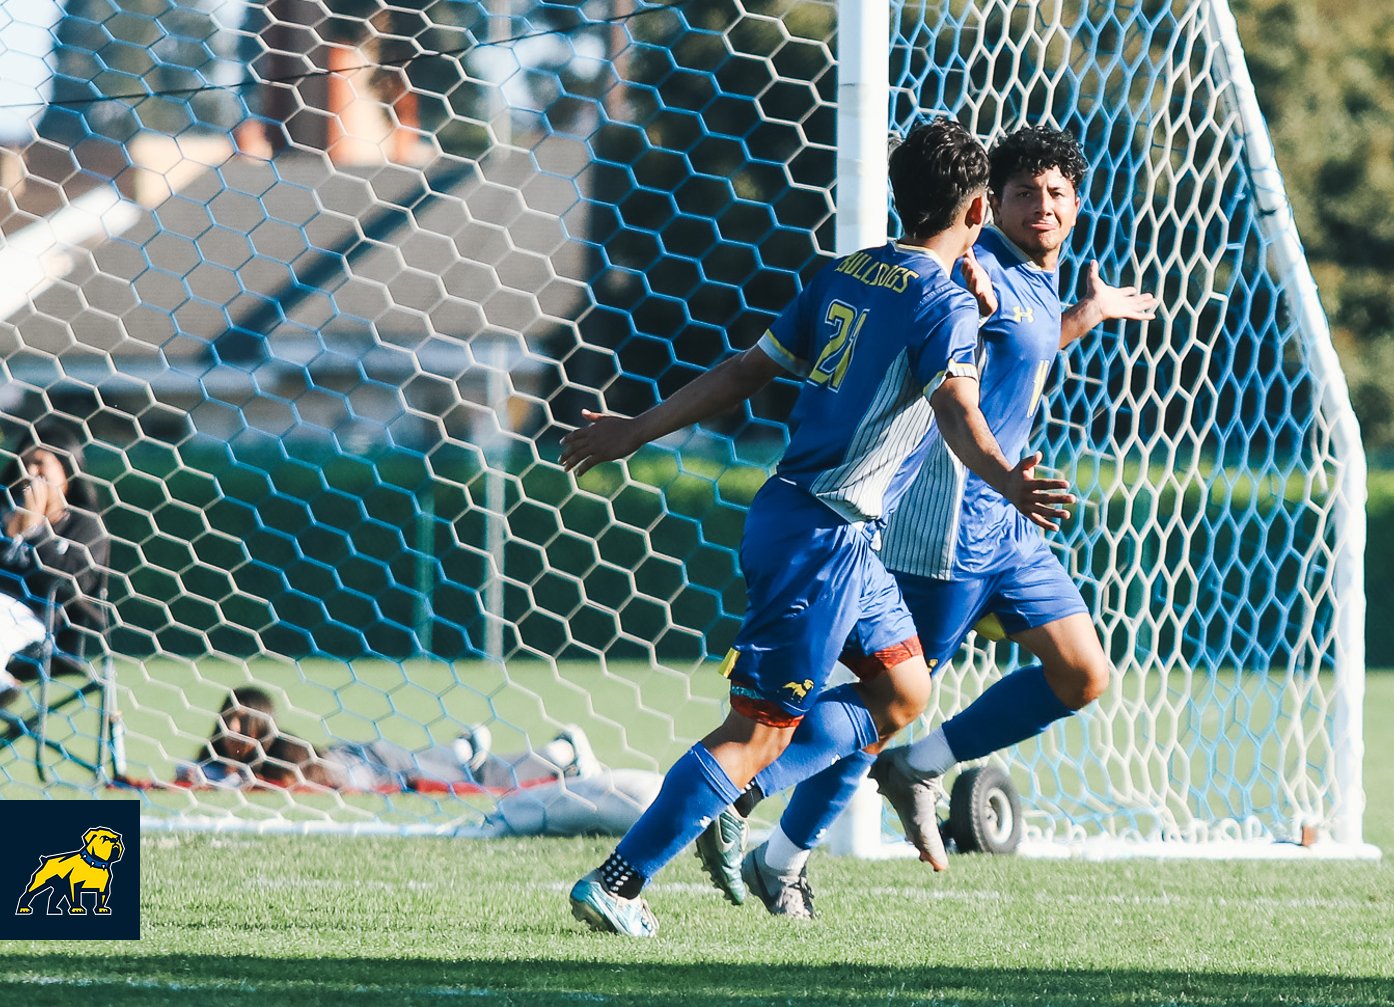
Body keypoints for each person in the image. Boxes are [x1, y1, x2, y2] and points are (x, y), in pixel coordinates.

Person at [557, 118, 1073, 939]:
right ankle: (619, 879)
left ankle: (746, 796)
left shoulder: (846, 272)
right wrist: (1009, 478)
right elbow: (961, 413)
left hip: (825, 528)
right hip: (823, 537)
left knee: (905, 690)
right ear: (980, 208)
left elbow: (742, 370)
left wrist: (633, 431)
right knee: (756, 731)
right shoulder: (945, 306)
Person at [698, 126, 1158, 916]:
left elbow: (1030, 341)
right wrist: (975, 297)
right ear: (989, 206)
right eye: (1022, 194)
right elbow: (961, 335)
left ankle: (922, 765)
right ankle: (774, 841)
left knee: (1083, 673)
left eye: (1055, 194)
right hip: (944, 527)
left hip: (1008, 525)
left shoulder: (1042, 286)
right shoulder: (980, 277)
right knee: (882, 702)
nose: (1040, 208)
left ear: (1077, 205)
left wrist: (1085, 312)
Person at [178, 685, 600, 792]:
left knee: (475, 783)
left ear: (261, 726)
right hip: (376, 759)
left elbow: (299, 781)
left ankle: (562, 753)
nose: (231, 730)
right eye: (227, 720)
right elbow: (194, 772)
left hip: (378, 763)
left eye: (241, 722)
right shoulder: (218, 757)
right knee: (459, 769)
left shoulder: (285, 753)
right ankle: (462, 749)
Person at [0, 427, 111, 709]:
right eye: (25, 463)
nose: (30, 471)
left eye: (39, 462)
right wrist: (9, 536)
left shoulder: (85, 526)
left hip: (45, 625)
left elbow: (72, 588)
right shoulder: (7, 518)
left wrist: (36, 531)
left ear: (67, 469)